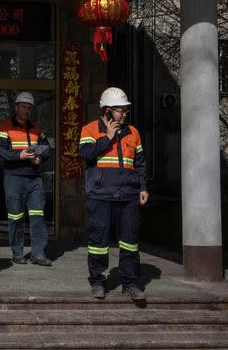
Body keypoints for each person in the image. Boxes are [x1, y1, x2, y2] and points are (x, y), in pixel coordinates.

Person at [79, 87, 149, 301]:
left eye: (126, 109)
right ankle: (98, 282)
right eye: (120, 110)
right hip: (101, 195)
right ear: (107, 110)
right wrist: (107, 137)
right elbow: (86, 154)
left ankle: (129, 283)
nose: (125, 113)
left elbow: (139, 163)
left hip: (128, 195)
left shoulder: (133, 132)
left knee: (130, 241)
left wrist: (143, 187)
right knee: (98, 242)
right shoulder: (90, 130)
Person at [0, 92, 53, 266]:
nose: (26, 111)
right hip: (14, 177)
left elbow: (47, 147)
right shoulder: (5, 127)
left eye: (29, 108)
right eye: (23, 107)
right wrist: (19, 155)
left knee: (37, 215)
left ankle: (38, 253)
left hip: (34, 178)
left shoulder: (36, 128)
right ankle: (17, 253)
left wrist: (40, 158)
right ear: (16, 107)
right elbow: (0, 150)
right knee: (15, 216)